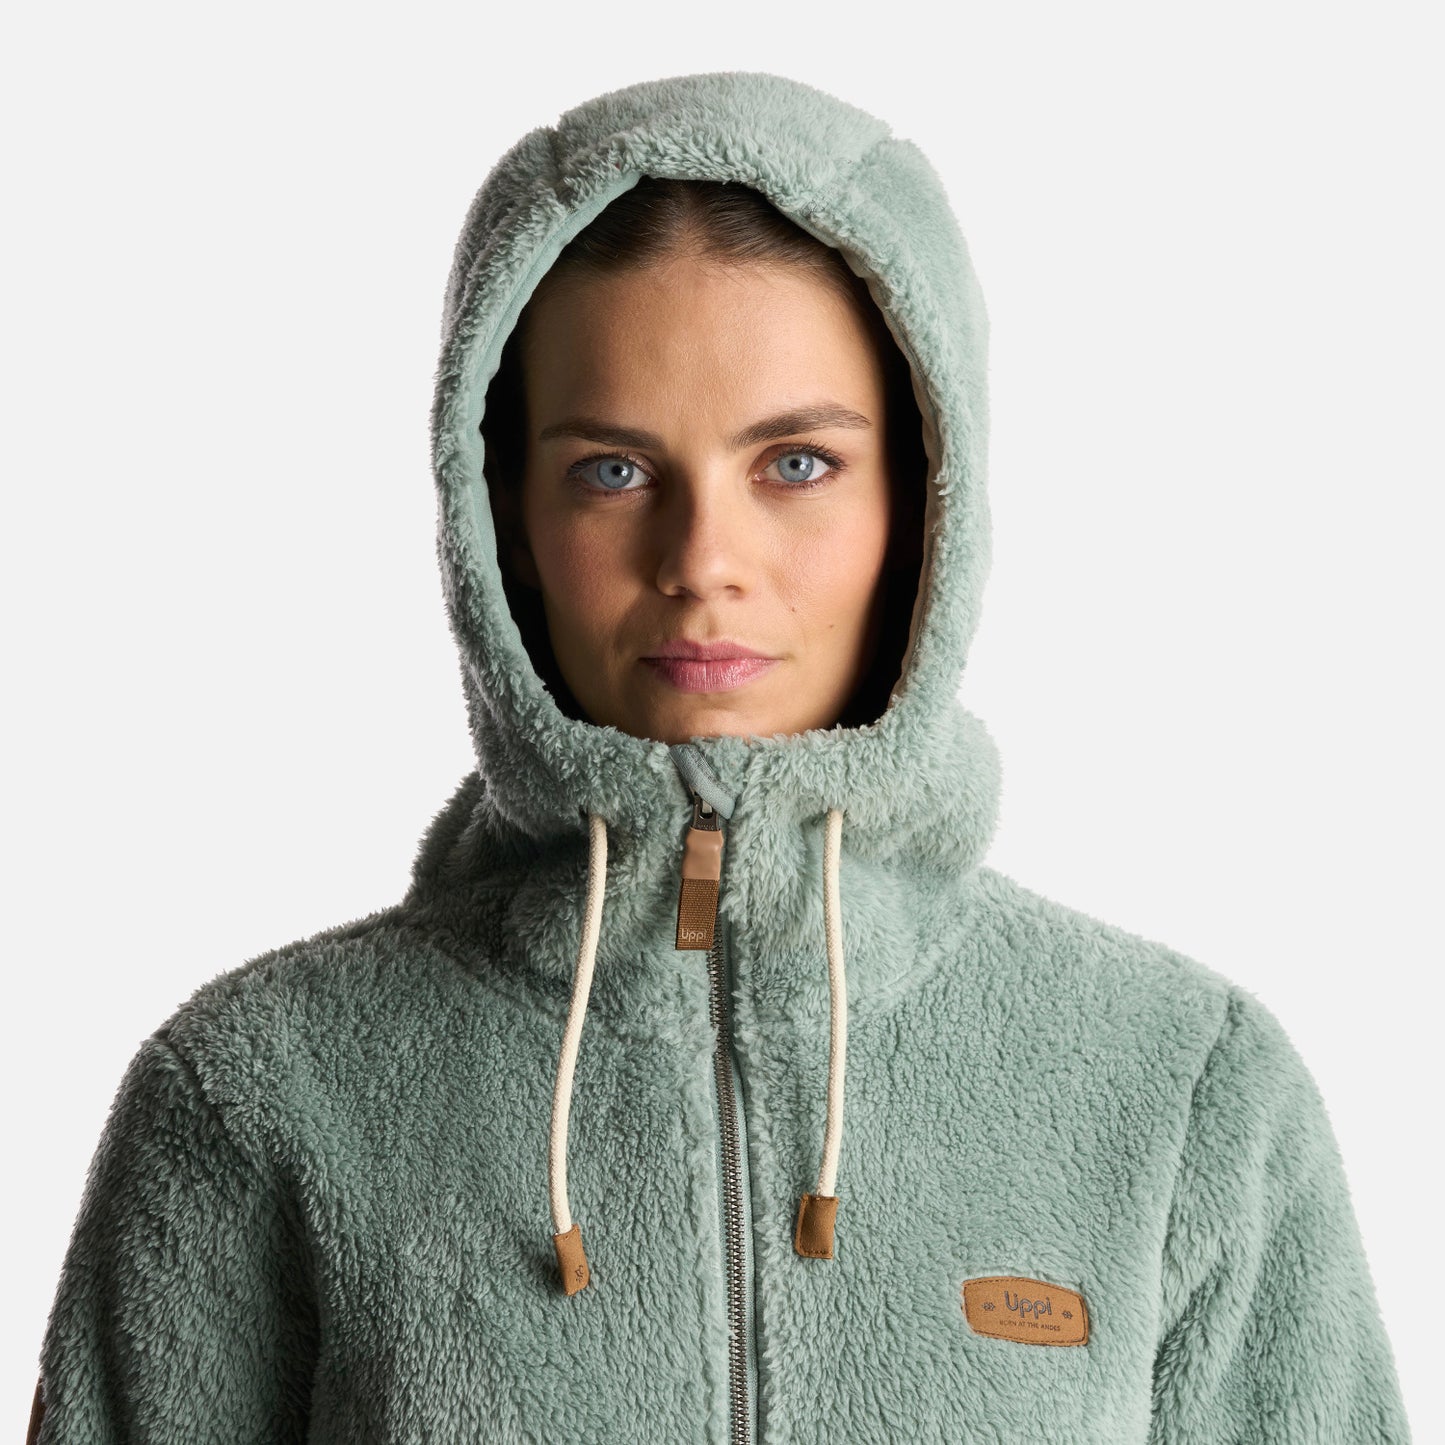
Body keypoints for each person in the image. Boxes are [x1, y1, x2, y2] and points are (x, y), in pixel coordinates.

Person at [26, 71, 1412, 1445]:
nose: (702, 562)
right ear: (501, 517)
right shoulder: (259, 1093)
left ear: (926, 499)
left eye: (795, 462)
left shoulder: (1182, 1089)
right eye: (613, 470)